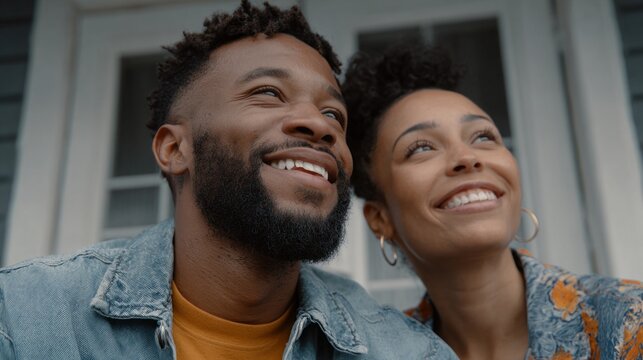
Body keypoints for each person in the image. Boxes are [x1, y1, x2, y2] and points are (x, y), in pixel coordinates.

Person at [0, 3, 457, 359]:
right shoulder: (22, 319)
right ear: (175, 149)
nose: (320, 126)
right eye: (268, 93)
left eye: (333, 113)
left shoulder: (407, 351)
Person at [342, 44, 643, 360]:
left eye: (483, 137)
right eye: (421, 148)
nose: (467, 158)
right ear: (379, 218)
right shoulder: (385, 353)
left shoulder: (626, 324)